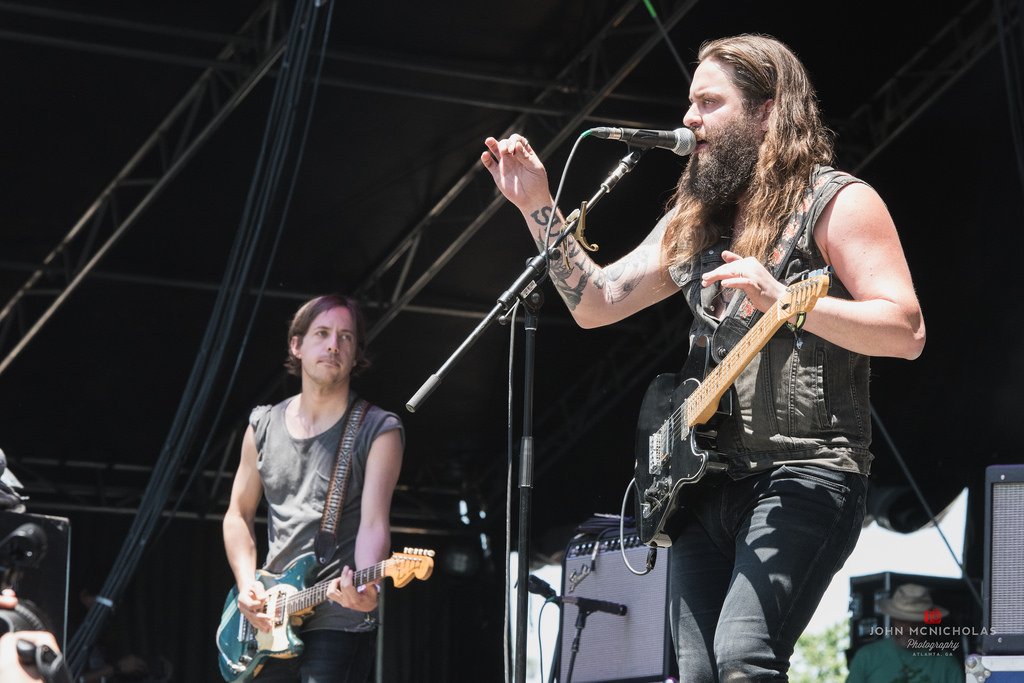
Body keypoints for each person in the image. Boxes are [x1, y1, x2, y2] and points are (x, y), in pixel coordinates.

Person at [481, 33, 925, 681]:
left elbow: (906, 327)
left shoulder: (836, 201)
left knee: (744, 657)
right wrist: (537, 206)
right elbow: (596, 301)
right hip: (701, 487)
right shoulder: (694, 222)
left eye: (709, 102)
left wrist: (788, 302)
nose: (689, 118)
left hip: (807, 474)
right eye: (690, 102)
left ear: (768, 111)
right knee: (698, 673)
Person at [222, 294, 404, 683]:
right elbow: (238, 514)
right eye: (321, 333)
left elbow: (374, 524)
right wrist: (246, 584)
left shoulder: (379, 429)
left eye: (346, 338)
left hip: (338, 614)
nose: (333, 345)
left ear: (356, 355)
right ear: (296, 345)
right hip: (269, 616)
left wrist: (368, 586)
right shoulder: (262, 425)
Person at [846, 583, 962, 682]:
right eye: (903, 621)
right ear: (892, 619)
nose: (909, 628)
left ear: (927, 622)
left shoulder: (947, 664)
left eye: (916, 622)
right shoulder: (866, 657)